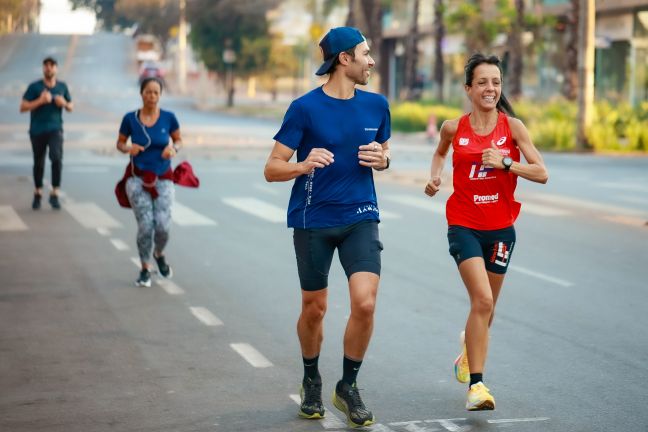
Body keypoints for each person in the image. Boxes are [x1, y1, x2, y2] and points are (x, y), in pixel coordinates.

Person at [264, 27, 390, 428]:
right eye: (365, 54)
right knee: (314, 309)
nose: (371, 61)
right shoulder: (304, 109)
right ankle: (311, 377)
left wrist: (382, 160)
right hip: (313, 219)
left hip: (361, 215)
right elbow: (272, 168)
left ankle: (348, 386)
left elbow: (384, 153)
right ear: (344, 60)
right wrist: (302, 164)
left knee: (365, 303)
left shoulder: (377, 106)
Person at [424, 53, 548, 411]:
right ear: (468, 88)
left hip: (502, 230)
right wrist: (434, 177)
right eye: (482, 82)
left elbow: (541, 172)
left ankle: (467, 351)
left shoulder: (514, 128)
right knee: (482, 301)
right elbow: (439, 153)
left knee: (487, 310)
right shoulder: (453, 127)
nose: (490, 88)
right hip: (463, 224)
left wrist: (507, 163)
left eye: (495, 82)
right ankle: (477, 387)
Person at [116, 77, 183, 288]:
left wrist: (173, 149)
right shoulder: (130, 119)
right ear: (141, 93)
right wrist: (129, 149)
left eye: (156, 92)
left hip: (163, 178)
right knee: (145, 226)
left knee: (163, 226)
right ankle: (145, 267)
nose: (152, 96)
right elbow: (119, 143)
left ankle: (159, 253)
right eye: (148, 92)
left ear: (160, 95)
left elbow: (179, 140)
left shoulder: (169, 118)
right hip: (137, 180)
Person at [20, 56, 73, 210]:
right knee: (39, 162)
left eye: (52, 65)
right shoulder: (34, 87)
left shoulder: (62, 87)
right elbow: (22, 107)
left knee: (56, 158)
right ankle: (38, 193)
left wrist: (64, 103)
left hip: (56, 129)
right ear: (43, 69)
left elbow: (71, 106)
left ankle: (55, 193)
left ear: (56, 68)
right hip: (37, 130)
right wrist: (40, 101)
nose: (49, 68)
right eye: (46, 65)